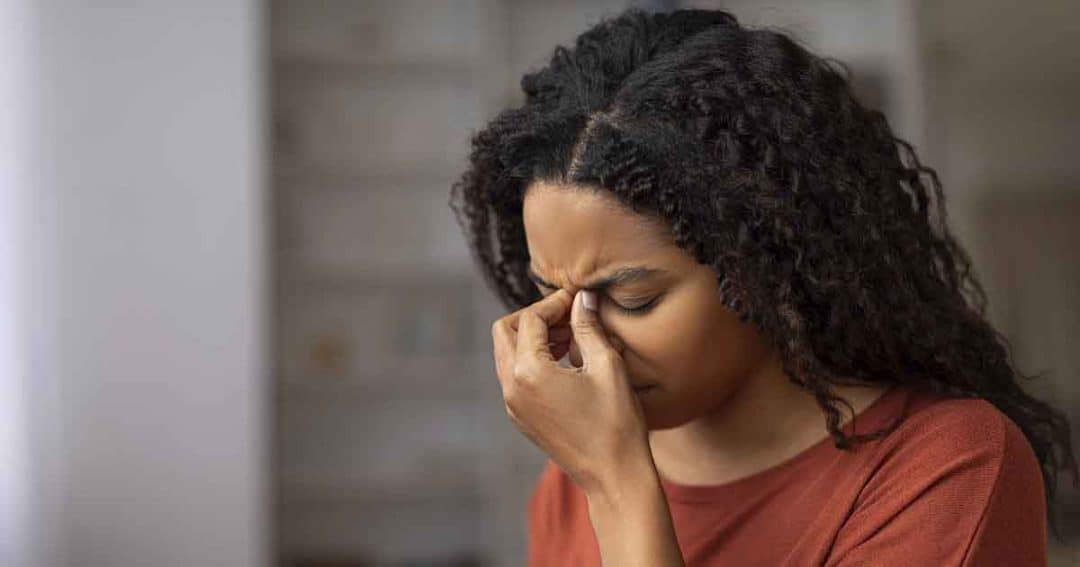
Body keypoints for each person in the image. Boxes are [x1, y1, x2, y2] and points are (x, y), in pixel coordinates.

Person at [449, 7, 1077, 566]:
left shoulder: (948, 470)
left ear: (767, 264)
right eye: (549, 292)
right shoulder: (571, 479)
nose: (582, 346)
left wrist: (619, 489)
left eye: (632, 298)